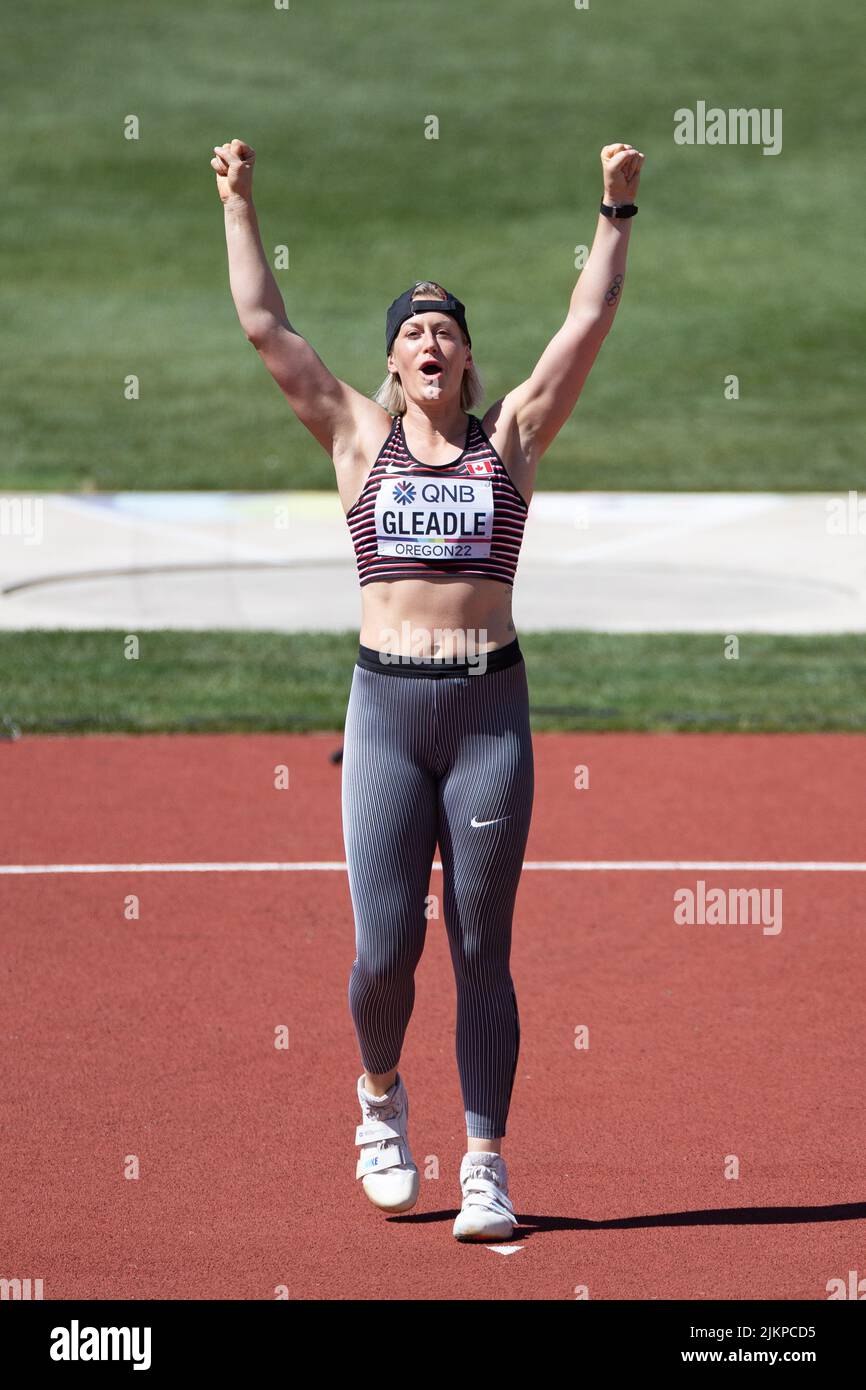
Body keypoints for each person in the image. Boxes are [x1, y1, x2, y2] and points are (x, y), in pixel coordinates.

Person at [212, 135, 644, 1241]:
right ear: (393, 364)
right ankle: (376, 1097)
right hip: (388, 715)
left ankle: (487, 1160)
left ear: (463, 358)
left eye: (445, 329)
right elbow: (267, 327)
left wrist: (614, 207)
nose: (430, 341)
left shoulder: (511, 439)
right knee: (381, 954)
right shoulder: (357, 440)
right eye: (412, 331)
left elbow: (583, 329)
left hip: (489, 711)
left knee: (479, 946)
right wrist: (241, 201)